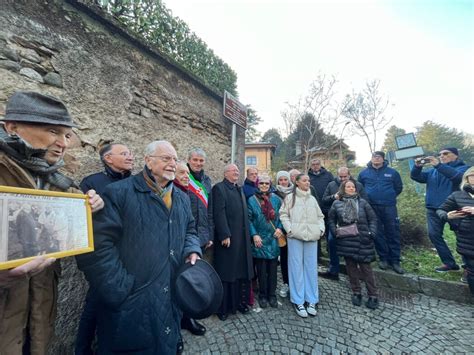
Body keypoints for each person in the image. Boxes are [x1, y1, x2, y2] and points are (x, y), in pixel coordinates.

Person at [0, 91, 104, 355]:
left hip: (36, 319)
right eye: (52, 131)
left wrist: (90, 206)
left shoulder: (56, 180)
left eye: (67, 135)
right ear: (12, 127)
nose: (63, 143)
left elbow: (71, 219)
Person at [76, 140, 201, 354]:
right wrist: (121, 289)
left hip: (171, 293)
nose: (172, 163)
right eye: (166, 158)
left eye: (175, 159)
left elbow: (190, 228)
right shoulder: (118, 193)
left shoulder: (181, 198)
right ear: (148, 162)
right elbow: (96, 247)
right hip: (132, 301)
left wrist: (192, 248)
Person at [76, 142, 134, 355]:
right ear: (108, 158)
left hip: (129, 253)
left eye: (130, 153)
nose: (130, 157)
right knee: (95, 303)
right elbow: (79, 219)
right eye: (125, 153)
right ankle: (82, 350)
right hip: (102, 258)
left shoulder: (135, 182)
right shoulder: (91, 182)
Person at [411, 147, 469, 272]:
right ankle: (449, 263)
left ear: (456, 155)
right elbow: (417, 177)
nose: (442, 156)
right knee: (434, 235)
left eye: (445, 154)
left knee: (463, 237)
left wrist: (438, 165)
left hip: (455, 209)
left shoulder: (463, 168)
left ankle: (468, 266)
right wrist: (417, 167)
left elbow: (458, 178)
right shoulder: (433, 171)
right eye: (440, 154)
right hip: (433, 209)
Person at [328, 179, 379, 309]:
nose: (351, 188)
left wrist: (371, 233)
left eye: (353, 187)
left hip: (363, 239)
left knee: (366, 269)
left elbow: (373, 218)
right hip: (346, 240)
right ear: (343, 189)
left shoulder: (362, 203)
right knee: (351, 268)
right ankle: (356, 292)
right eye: (348, 187)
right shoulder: (337, 203)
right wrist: (335, 232)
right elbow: (331, 219)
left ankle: (373, 295)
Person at [279, 174, 325, 318]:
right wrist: (290, 230)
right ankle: (298, 300)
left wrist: (320, 230)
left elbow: (320, 216)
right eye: (304, 180)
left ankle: (311, 299)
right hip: (295, 237)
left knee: (311, 267)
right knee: (296, 267)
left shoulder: (312, 199)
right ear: (297, 183)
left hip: (312, 237)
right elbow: (283, 215)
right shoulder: (290, 198)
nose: (308, 182)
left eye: (308, 180)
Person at [212, 164, 254, 321]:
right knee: (227, 272)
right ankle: (223, 308)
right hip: (228, 239)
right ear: (225, 173)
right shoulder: (219, 188)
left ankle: (239, 303)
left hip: (241, 239)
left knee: (240, 272)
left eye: (238, 171)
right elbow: (219, 212)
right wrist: (224, 234)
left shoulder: (239, 189)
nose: (237, 172)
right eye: (233, 170)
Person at [182, 148, 214, 337]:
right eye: (195, 159)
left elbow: (209, 211)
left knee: (193, 276)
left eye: (201, 160)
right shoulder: (183, 176)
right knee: (182, 276)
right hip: (184, 235)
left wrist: (209, 234)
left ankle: (190, 314)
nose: (198, 163)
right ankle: (183, 316)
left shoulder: (207, 181)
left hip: (200, 236)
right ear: (188, 160)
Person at [358, 151, 404, 274]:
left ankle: (395, 261)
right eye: (374, 156)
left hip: (389, 206)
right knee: (377, 233)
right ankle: (383, 258)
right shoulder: (363, 173)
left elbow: (398, 188)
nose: (376, 158)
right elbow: (360, 188)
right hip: (371, 207)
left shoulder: (392, 172)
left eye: (379, 157)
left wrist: (389, 196)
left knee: (393, 231)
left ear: (383, 159)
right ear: (371, 158)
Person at [320, 167, 368, 280]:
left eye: (345, 177)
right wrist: (333, 197)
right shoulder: (331, 185)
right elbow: (324, 200)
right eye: (340, 177)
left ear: (349, 175)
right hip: (336, 221)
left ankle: (356, 273)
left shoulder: (358, 185)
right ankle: (333, 270)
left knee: (354, 245)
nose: (342, 179)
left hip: (353, 221)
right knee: (332, 242)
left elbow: (365, 201)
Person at [248, 174, 283, 308]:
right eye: (261, 183)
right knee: (261, 270)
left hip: (273, 238)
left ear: (270, 185)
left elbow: (282, 216)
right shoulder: (251, 200)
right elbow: (249, 219)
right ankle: (262, 295)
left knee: (273, 270)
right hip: (260, 239)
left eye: (266, 183)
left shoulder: (276, 199)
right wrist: (254, 234)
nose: (264, 186)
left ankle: (272, 294)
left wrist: (280, 228)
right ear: (257, 184)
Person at [437, 167, 474, 294]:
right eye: (472, 175)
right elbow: (440, 209)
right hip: (468, 242)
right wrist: (447, 216)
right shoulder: (457, 195)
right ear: (467, 178)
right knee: (472, 274)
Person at [274, 170, 294, 298]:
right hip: (281, 231)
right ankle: (286, 283)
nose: (283, 182)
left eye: (285, 179)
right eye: (280, 180)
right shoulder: (274, 194)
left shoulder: (295, 193)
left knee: (296, 259)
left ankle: (296, 284)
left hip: (294, 230)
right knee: (285, 258)